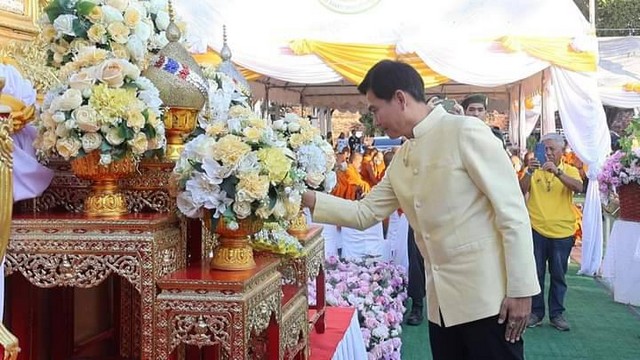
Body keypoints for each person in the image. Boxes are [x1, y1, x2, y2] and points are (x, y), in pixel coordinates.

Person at [302, 60, 539, 360]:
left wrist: (521, 290)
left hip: (489, 302)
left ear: (400, 98)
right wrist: (303, 197)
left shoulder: (465, 131)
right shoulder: (402, 159)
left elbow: (513, 212)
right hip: (441, 309)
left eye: (375, 109)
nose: (374, 121)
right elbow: (363, 213)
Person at [519, 133, 583, 332]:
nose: (547, 153)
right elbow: (520, 189)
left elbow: (579, 187)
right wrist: (529, 171)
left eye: (551, 149)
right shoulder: (533, 170)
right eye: (544, 149)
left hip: (562, 232)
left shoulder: (570, 169)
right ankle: (536, 313)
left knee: (558, 275)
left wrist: (557, 173)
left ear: (561, 152)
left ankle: (557, 314)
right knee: (535, 274)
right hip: (536, 229)